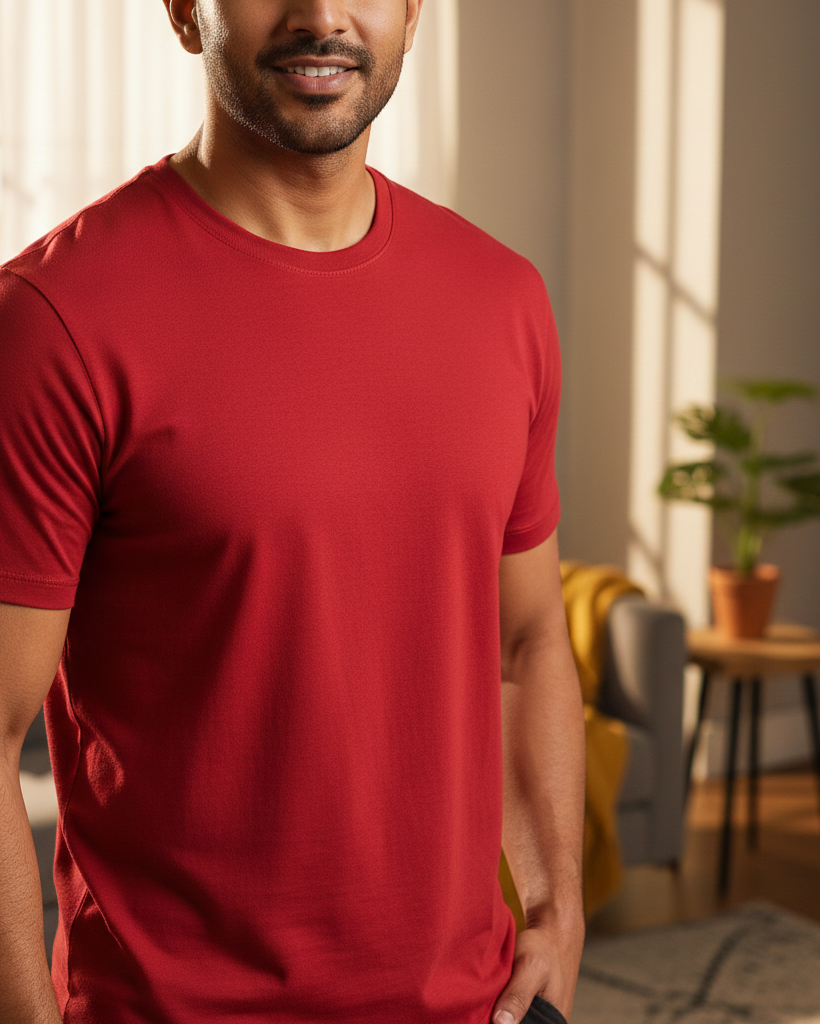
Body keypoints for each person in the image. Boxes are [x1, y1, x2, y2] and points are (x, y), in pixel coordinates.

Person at [0, 1, 587, 1022]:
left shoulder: (504, 299)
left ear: (412, 13)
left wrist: (558, 906)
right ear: (184, 11)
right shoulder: (55, 321)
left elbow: (529, 636)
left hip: (476, 1001)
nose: (321, 16)